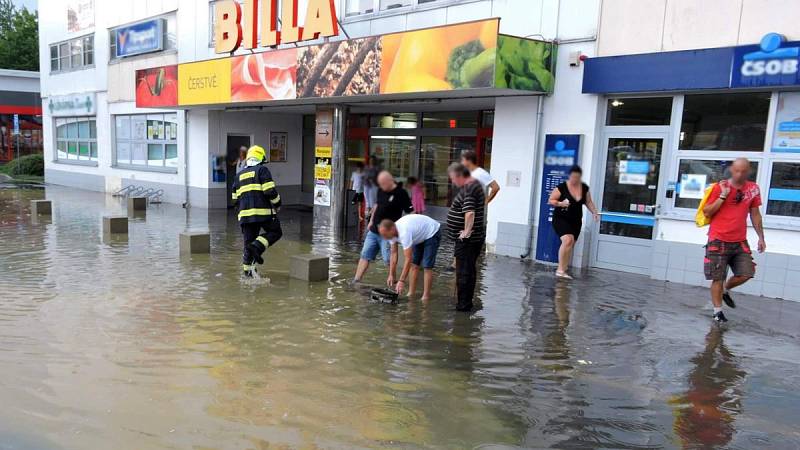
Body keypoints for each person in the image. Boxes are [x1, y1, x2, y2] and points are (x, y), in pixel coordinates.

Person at [701, 158, 766, 323]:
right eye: (736, 170)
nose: (739, 174)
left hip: (739, 241)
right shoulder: (719, 187)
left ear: (748, 171)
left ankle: (726, 289)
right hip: (718, 239)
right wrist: (723, 196)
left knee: (747, 273)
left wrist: (761, 237)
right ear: (731, 169)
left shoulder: (753, 189)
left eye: (743, 171)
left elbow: (755, 214)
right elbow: (707, 212)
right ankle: (717, 312)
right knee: (718, 277)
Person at [231, 145, 283, 277]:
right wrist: (278, 203)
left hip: (245, 217)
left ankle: (248, 275)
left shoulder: (238, 176)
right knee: (275, 232)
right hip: (263, 214)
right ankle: (257, 247)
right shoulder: (262, 170)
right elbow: (269, 190)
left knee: (248, 245)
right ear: (261, 158)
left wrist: (243, 211)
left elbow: (234, 200)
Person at [353, 170, 414, 283]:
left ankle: (393, 281)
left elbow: (411, 212)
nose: (380, 187)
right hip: (374, 230)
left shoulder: (401, 193)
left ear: (389, 181)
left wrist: (411, 229)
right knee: (365, 254)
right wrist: (371, 220)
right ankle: (356, 281)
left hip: (389, 232)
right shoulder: (381, 190)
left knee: (388, 259)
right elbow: (377, 204)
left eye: (382, 184)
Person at [446, 163, 486, 312]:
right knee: (468, 270)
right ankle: (466, 302)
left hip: (468, 241)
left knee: (463, 272)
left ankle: (463, 306)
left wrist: (466, 232)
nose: (453, 182)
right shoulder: (473, 186)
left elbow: (469, 212)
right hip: (473, 239)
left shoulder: (469, 188)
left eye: (453, 179)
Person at [548, 165, 599, 279]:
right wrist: (560, 203)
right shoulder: (562, 187)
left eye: (577, 177)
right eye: (573, 177)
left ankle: (563, 268)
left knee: (570, 244)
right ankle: (560, 270)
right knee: (567, 240)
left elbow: (588, 202)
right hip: (561, 218)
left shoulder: (584, 188)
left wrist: (594, 212)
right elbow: (551, 200)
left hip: (575, 220)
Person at [379, 215, 441, 301]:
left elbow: (408, 259)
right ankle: (411, 293)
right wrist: (391, 274)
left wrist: (401, 280)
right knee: (414, 265)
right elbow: (393, 253)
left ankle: (426, 297)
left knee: (427, 266)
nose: (385, 238)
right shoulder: (390, 234)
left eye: (385, 235)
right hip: (419, 233)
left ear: (392, 229)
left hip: (432, 231)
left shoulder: (404, 232)